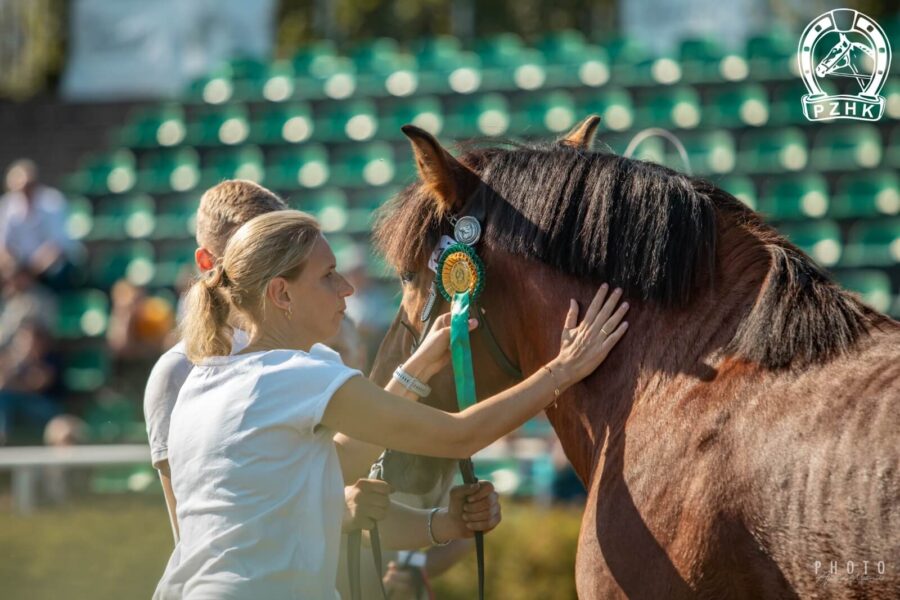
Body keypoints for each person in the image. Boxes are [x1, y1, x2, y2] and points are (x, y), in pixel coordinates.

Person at [153, 209, 629, 598]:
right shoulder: (296, 376)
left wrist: (417, 370)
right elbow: (459, 434)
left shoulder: (205, 378)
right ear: (281, 294)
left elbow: (337, 462)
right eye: (327, 276)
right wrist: (564, 369)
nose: (346, 288)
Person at [143, 180, 500, 581]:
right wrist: (561, 372)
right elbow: (194, 528)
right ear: (210, 263)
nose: (270, 253)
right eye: (259, 247)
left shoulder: (310, 346)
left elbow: (337, 466)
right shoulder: (180, 372)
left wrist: (436, 526)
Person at [0, 159, 79, 288]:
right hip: (22, 268)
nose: (24, 193)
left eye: (28, 187)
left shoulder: (52, 202)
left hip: (55, 268)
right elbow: (3, 247)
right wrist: (12, 269)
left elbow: (57, 248)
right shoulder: (7, 206)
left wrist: (31, 273)